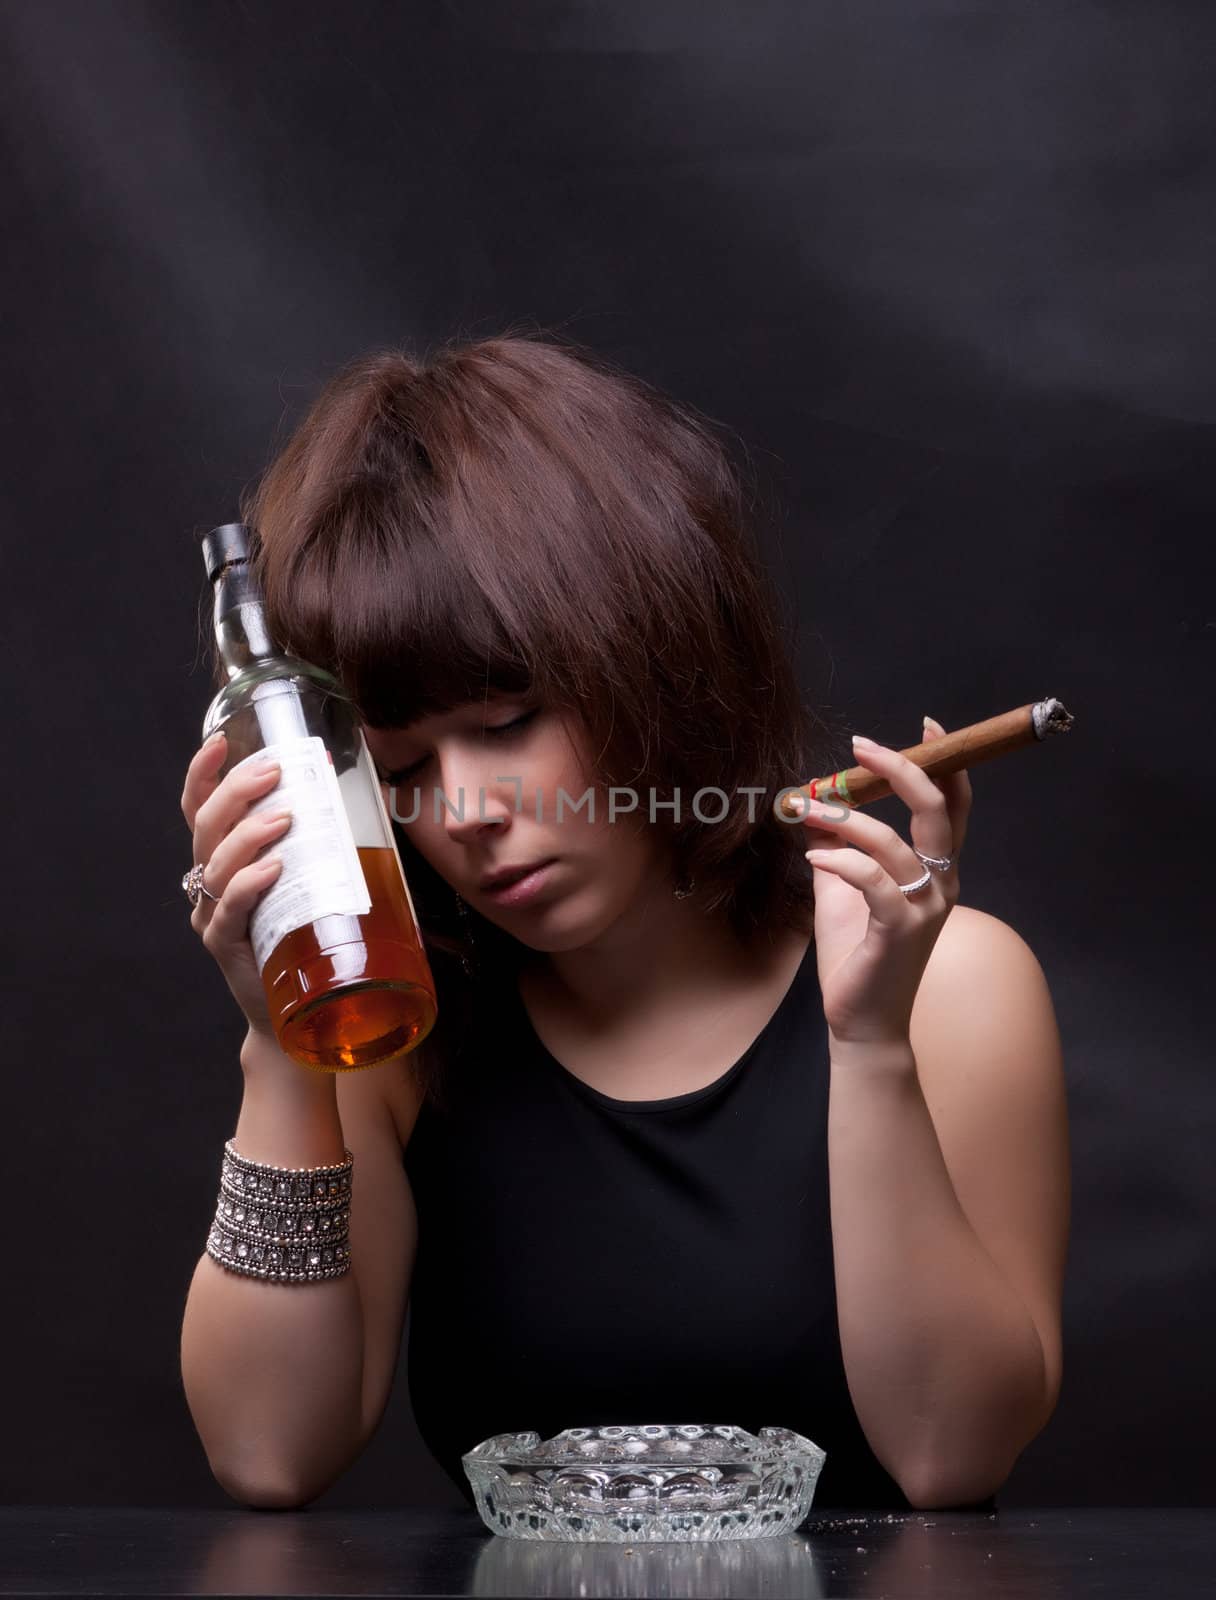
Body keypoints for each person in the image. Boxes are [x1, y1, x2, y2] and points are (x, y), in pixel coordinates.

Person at [178, 329, 1070, 1515]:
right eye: (398, 767)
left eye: (506, 724)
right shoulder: (402, 1031)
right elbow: (266, 1452)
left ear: (655, 658)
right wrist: (281, 1035)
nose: (463, 814)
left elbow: (950, 1456)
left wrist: (868, 1049)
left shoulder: (953, 982)